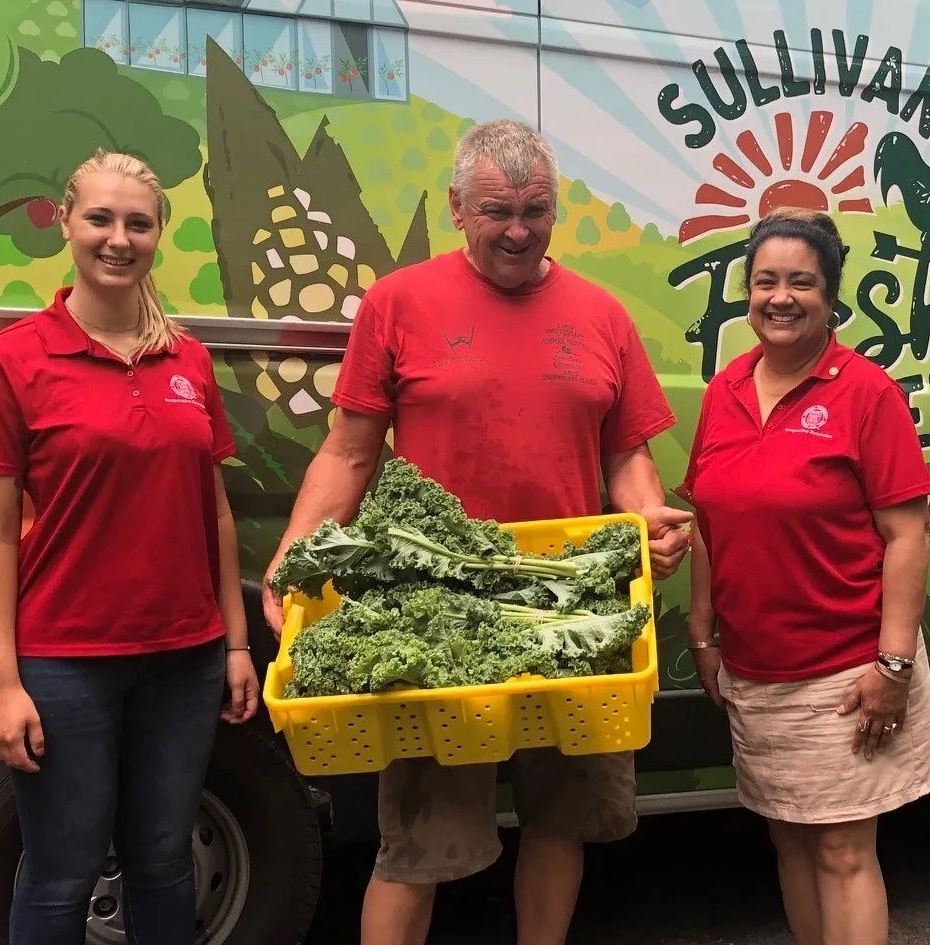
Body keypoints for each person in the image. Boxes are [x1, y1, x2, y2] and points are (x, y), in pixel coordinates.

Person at [262, 119, 691, 945]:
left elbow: (626, 453)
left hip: (566, 607)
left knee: (560, 822)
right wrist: (293, 552)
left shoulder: (601, 314)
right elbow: (348, 452)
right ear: (457, 208)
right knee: (417, 845)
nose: (519, 231)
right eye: (498, 211)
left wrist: (647, 520)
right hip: (435, 617)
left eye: (536, 210)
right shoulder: (398, 302)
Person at [0, 150, 259, 945]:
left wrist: (235, 644)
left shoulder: (189, 358)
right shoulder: (14, 360)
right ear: (67, 224)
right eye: (100, 218)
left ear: (158, 235)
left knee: (164, 859)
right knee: (62, 871)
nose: (118, 238)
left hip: (185, 658)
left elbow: (215, 514)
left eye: (138, 223)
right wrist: (1, 682)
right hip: (64, 661)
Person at [681, 207, 930, 945]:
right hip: (756, 671)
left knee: (841, 850)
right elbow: (706, 518)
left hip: (847, 673)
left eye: (801, 282)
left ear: (829, 297)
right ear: (747, 292)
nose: (780, 297)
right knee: (787, 837)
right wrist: (702, 634)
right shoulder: (725, 390)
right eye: (765, 282)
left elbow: (907, 535)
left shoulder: (866, 393)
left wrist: (893, 665)